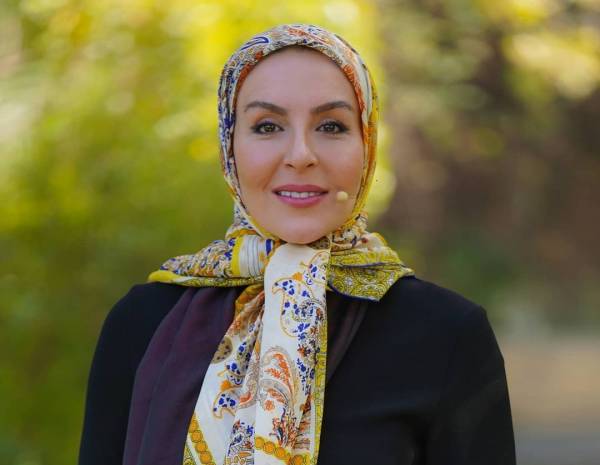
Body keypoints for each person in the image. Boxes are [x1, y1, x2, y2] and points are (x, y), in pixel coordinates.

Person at [78, 24, 516, 465]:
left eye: (331, 126)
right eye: (267, 126)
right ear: (230, 146)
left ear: (366, 144)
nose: (301, 154)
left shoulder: (446, 335)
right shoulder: (144, 324)